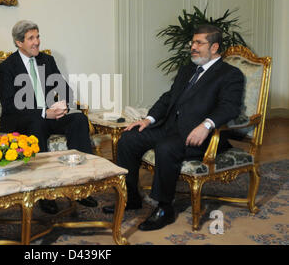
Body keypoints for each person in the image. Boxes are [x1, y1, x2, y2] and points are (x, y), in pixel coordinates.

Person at [102, 24, 245, 231]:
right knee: (129, 138)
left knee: (166, 148)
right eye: (192, 42)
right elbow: (169, 97)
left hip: (198, 135)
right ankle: (131, 198)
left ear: (214, 48)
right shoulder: (188, 69)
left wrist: (206, 125)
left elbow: (229, 107)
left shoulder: (230, 74)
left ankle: (164, 208)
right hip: (170, 127)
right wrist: (148, 119)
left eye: (199, 43)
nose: (193, 47)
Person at [0, 20, 97, 214]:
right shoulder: (7, 67)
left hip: (50, 116)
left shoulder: (47, 60)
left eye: (38, 36)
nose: (37, 42)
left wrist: (64, 106)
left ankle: (82, 186)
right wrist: (44, 112)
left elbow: (64, 89)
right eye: (31, 38)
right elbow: (10, 105)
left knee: (79, 119)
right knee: (37, 122)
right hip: (23, 120)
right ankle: (45, 192)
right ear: (19, 42)